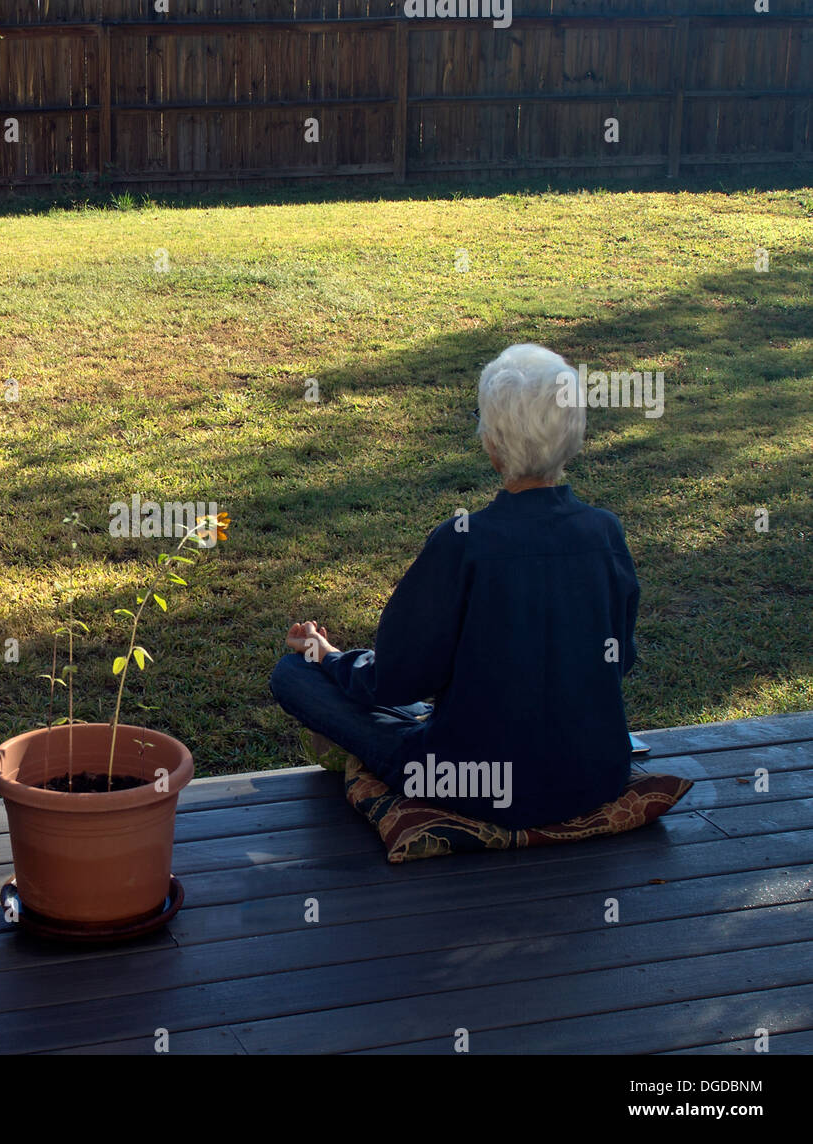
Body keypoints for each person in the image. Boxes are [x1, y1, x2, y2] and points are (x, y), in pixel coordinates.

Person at [270, 343, 640, 829]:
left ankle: (352, 677)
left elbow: (396, 680)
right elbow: (620, 660)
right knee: (439, 699)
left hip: (472, 786)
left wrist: (326, 655)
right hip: (596, 776)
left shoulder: (463, 541)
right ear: (574, 432)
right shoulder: (606, 533)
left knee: (292, 675)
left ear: (492, 441)